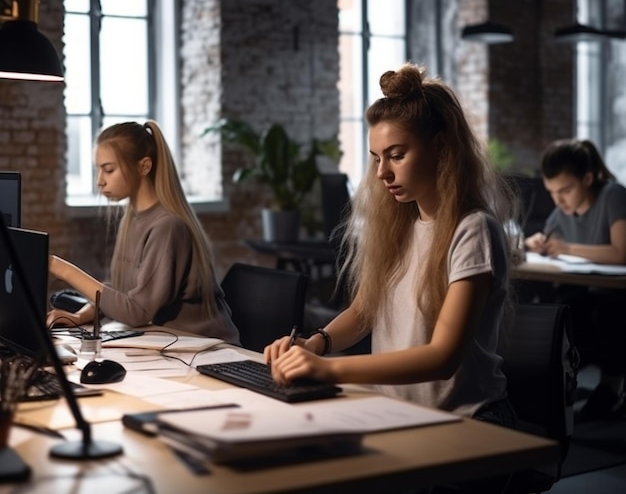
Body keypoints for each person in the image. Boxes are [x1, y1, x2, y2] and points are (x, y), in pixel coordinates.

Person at [265, 63, 517, 428]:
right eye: (377, 158)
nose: (382, 172)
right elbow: (365, 310)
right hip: (394, 412)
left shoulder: (472, 229)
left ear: (441, 147)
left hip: (464, 421)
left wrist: (328, 368)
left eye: (397, 155)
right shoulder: (399, 226)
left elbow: (442, 357)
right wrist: (314, 344)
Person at [47, 120, 240, 343]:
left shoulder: (168, 226)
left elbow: (136, 312)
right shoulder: (133, 219)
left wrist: (59, 267)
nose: (99, 181)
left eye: (109, 170)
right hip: (170, 345)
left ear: (144, 167)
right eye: (98, 170)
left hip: (210, 352)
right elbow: (121, 289)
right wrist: (80, 316)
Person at [525, 138, 626, 420]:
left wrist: (567, 248)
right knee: (561, 309)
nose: (559, 200)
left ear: (588, 178)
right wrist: (536, 243)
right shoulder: (561, 212)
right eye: (552, 192)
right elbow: (548, 241)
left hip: (616, 295)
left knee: (607, 314)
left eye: (566, 190)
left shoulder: (613, 196)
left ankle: (611, 387)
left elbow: (621, 252)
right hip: (586, 292)